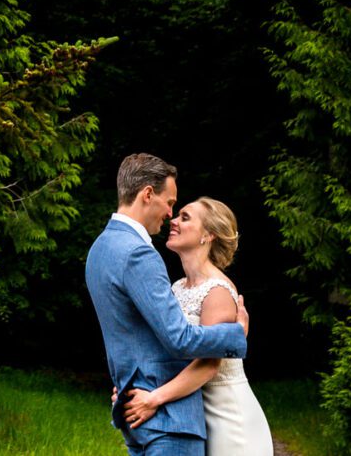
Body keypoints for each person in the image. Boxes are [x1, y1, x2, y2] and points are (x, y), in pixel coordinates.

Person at [86, 154, 250, 456]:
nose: (170, 215)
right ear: (148, 194)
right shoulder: (138, 254)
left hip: (149, 414)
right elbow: (179, 339)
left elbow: (131, 334)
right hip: (169, 421)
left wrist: (127, 387)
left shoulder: (99, 249)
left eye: (181, 213)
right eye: (171, 203)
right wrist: (235, 334)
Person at [121, 197, 274, 456]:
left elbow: (209, 365)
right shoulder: (176, 288)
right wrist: (131, 386)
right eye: (177, 215)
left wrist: (153, 399)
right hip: (194, 413)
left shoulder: (218, 291)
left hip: (229, 420)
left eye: (185, 217)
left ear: (208, 235)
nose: (174, 220)